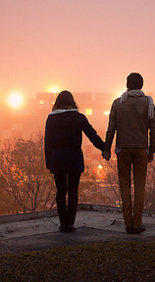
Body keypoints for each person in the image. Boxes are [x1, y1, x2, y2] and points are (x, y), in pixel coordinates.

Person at [103, 73, 155, 234]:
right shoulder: (148, 103)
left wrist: (107, 149)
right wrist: (152, 150)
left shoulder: (118, 103)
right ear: (141, 85)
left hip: (123, 149)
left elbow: (111, 128)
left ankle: (128, 223)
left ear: (127, 85)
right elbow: (153, 129)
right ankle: (137, 223)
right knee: (140, 187)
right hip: (141, 149)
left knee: (125, 186)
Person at [44, 90, 105, 232]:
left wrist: (49, 162)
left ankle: (62, 223)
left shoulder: (51, 119)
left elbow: (47, 143)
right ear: (72, 102)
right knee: (73, 190)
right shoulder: (78, 117)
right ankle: (70, 223)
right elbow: (92, 134)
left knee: (60, 192)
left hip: (57, 158)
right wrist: (104, 148)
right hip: (74, 157)